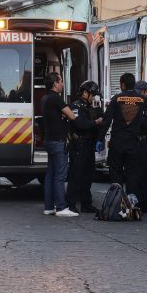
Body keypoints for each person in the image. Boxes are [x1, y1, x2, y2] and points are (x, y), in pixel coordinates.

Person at [98, 73, 147, 207]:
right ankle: (131, 205)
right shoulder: (144, 99)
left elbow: (106, 120)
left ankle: (117, 204)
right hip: (134, 143)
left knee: (116, 173)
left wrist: (99, 139)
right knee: (132, 174)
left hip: (117, 142)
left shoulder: (116, 99)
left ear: (122, 84)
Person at [41, 72, 79, 217]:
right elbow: (72, 116)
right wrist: (65, 114)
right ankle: (62, 207)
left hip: (49, 140)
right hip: (58, 141)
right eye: (61, 81)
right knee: (60, 175)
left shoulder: (45, 98)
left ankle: (49, 207)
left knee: (50, 174)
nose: (63, 84)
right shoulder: (55, 98)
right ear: (55, 83)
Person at [66, 80, 103, 214]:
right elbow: (79, 125)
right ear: (85, 92)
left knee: (88, 176)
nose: (93, 97)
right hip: (79, 145)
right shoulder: (75, 106)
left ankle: (86, 204)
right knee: (76, 176)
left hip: (88, 145)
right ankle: (71, 204)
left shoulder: (89, 107)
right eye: (92, 94)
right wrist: (96, 122)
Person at [134, 80, 147, 212]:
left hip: (135, 141)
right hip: (141, 141)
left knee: (134, 173)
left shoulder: (129, 101)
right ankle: (141, 203)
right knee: (140, 174)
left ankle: (138, 202)